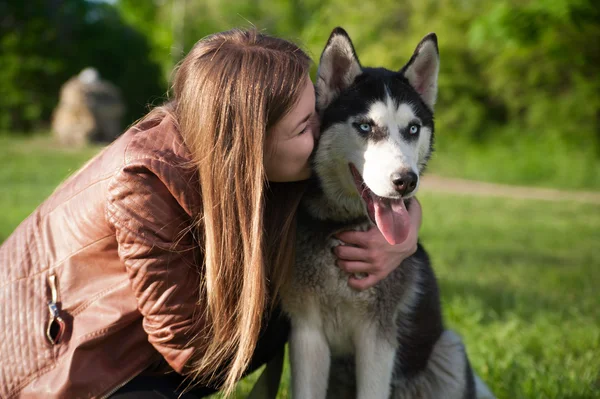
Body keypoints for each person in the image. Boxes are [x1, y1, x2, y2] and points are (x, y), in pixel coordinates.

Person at [0, 28, 422, 398]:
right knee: (278, 315)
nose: (324, 127)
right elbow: (188, 347)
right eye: (306, 124)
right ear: (252, 139)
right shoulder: (144, 185)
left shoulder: (235, 148)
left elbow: (374, 185)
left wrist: (404, 233)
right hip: (62, 369)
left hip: (139, 351)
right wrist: (291, 294)